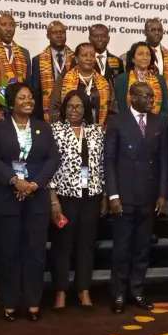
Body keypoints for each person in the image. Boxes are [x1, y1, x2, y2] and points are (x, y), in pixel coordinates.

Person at [0, 83, 59, 322]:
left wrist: (34, 184)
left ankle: (33, 301)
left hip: (36, 198)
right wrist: (15, 181)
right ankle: (10, 302)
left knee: (35, 252)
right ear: (11, 103)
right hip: (7, 198)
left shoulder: (43, 127)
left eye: (30, 97)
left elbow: (53, 159)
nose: (28, 101)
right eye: (22, 97)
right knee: (9, 252)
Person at [106, 82, 168, 314]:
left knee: (142, 248)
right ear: (131, 97)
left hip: (148, 196)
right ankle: (119, 293)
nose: (150, 100)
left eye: (152, 97)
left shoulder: (159, 122)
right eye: (145, 96)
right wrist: (113, 194)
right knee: (122, 248)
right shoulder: (117, 121)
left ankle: (137, 291)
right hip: (124, 196)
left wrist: (162, 194)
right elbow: (109, 161)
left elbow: (163, 161)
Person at [49, 91, 105, 309]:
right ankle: (61, 291)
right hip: (65, 197)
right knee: (62, 245)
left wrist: (104, 196)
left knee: (86, 245)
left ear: (86, 109)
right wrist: (53, 198)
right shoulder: (55, 131)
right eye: (70, 106)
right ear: (64, 109)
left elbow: (101, 165)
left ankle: (84, 290)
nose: (74, 110)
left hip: (91, 196)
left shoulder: (96, 132)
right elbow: (49, 166)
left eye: (79, 106)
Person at [49, 42, 116, 126]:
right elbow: (54, 107)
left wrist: (106, 128)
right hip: (68, 130)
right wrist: (62, 128)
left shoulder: (104, 82)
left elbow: (112, 109)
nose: (89, 58)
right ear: (76, 59)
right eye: (84, 55)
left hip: (99, 130)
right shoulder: (64, 79)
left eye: (92, 55)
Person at [126, 18, 168, 114]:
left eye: (159, 30)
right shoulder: (133, 53)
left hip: (164, 111)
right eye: (153, 30)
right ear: (145, 32)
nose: (157, 33)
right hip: (138, 108)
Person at [113, 42, 168, 121]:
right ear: (133, 59)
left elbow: (166, 108)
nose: (145, 57)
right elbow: (120, 106)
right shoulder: (122, 79)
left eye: (148, 54)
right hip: (128, 124)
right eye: (140, 54)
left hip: (156, 125)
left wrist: (157, 124)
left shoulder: (160, 80)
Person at [31, 21, 74, 121]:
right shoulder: (38, 60)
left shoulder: (75, 58)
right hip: (46, 113)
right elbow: (36, 91)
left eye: (62, 32)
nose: (59, 35)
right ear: (48, 36)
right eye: (55, 32)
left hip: (71, 109)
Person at [0, 13, 31, 84]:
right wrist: (1, 91)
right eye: (3, 25)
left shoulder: (24, 53)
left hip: (19, 90)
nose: (8, 29)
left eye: (12, 25)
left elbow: (28, 83)